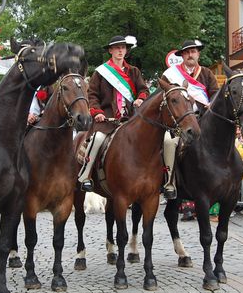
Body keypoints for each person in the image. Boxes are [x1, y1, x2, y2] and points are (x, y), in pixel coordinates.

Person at [77, 35, 149, 192]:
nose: (120, 51)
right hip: (107, 119)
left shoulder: (134, 71)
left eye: (123, 48)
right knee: (97, 138)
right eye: (117, 48)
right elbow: (92, 95)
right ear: (110, 50)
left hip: (130, 118)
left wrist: (140, 99)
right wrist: (97, 112)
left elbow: (143, 89)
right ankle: (86, 175)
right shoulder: (101, 72)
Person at [160, 39, 219, 198]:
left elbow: (215, 95)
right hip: (179, 122)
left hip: (204, 121)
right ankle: (170, 182)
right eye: (187, 52)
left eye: (193, 51)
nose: (190, 55)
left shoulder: (207, 73)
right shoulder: (170, 75)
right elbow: (162, 97)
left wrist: (211, 104)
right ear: (182, 56)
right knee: (169, 143)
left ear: (198, 54)